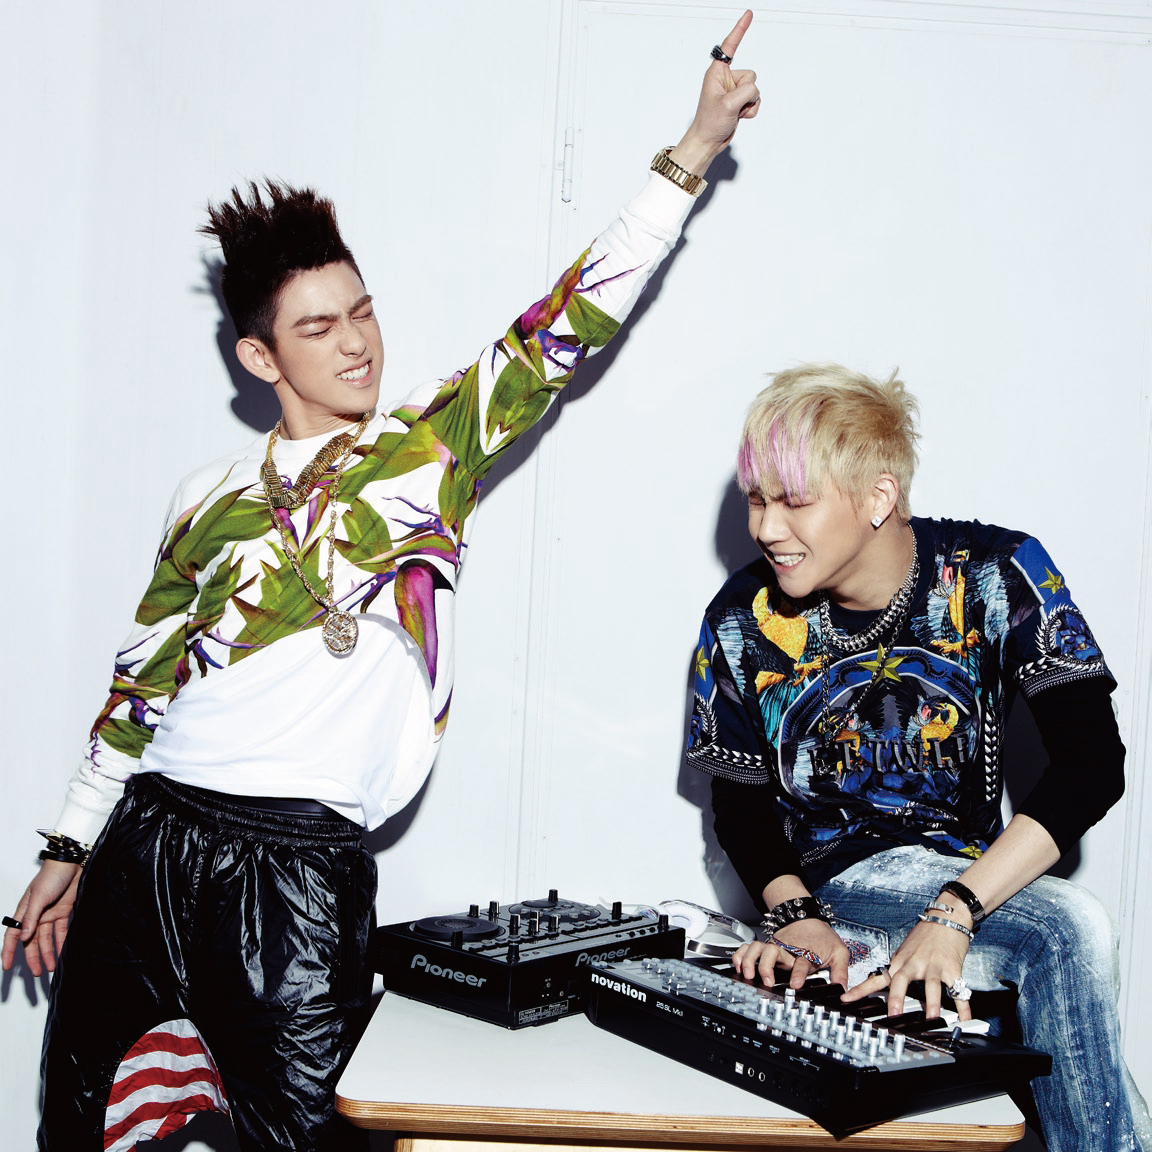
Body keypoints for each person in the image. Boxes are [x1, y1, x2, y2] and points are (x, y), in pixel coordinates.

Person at [1, 17, 759, 1152]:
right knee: (80, 1127)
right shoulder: (206, 499)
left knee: (314, 1137)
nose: (357, 342)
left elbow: (561, 328)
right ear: (261, 358)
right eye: (319, 327)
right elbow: (139, 688)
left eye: (362, 310)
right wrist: (67, 848)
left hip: (299, 867)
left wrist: (692, 148)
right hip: (148, 849)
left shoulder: (425, 452)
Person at [687, 363, 1151, 1152]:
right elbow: (740, 802)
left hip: (971, 879)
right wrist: (795, 913)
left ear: (879, 497)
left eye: (794, 500)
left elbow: (1092, 764)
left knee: (1066, 938)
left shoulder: (998, 575)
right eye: (757, 499)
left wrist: (954, 911)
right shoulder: (742, 616)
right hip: (836, 886)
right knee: (1069, 928)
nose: (765, 527)